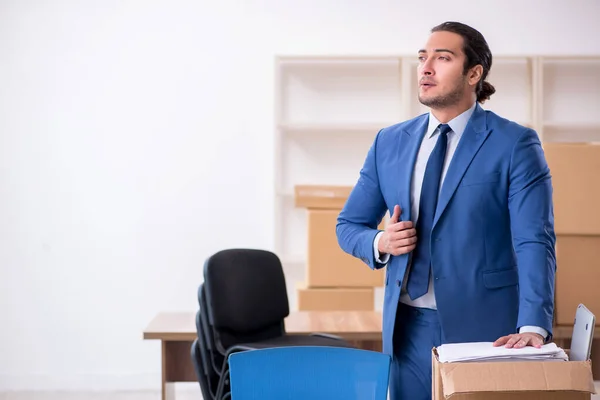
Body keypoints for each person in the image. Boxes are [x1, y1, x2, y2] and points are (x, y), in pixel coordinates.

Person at [336, 21, 556, 400]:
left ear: (474, 74)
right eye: (423, 57)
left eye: (443, 57)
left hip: (489, 329)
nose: (426, 67)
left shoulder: (515, 143)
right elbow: (348, 225)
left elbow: (534, 240)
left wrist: (534, 324)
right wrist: (380, 241)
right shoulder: (389, 142)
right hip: (407, 329)